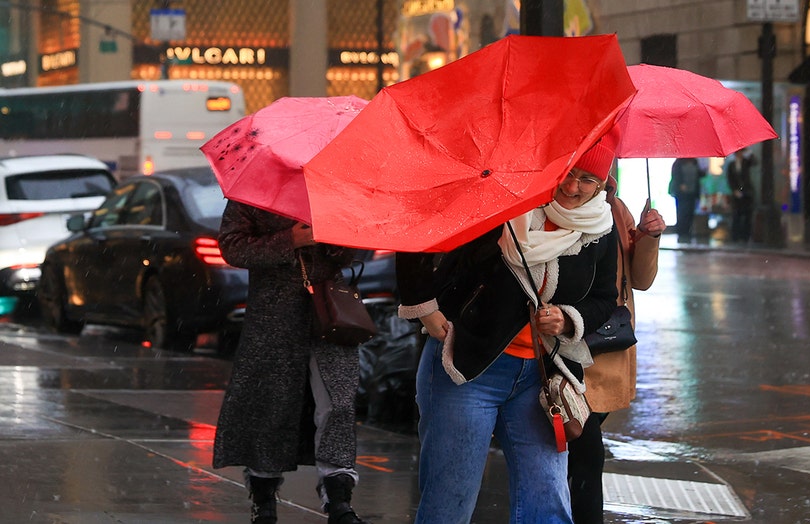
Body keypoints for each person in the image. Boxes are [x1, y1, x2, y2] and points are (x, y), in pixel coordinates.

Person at [395, 135, 621, 523]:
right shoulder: (505, 199)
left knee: (547, 501)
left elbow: (603, 298)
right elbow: (419, 228)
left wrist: (567, 319)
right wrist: (424, 307)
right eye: (568, 173)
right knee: (450, 499)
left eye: (587, 180)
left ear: (603, 184)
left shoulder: (600, 226)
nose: (572, 187)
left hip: (542, 377)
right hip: (466, 365)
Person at [212, 200, 369, 524]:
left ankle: (338, 498)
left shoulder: (331, 187)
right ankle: (264, 500)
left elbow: (355, 247)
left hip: (330, 313)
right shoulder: (256, 193)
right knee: (271, 405)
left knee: (337, 404)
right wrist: (290, 241)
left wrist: (328, 236)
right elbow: (232, 247)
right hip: (273, 317)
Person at [567, 172, 666, 524]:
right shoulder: (560, 205)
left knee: (579, 449)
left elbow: (639, 279)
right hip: (565, 343)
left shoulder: (615, 208)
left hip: (608, 344)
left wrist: (648, 236)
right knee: (586, 450)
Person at [668, 157, 705, 242]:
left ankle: (688, 231)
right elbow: (675, 175)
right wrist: (681, 184)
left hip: (692, 192)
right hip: (681, 194)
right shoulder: (678, 163)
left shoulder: (694, 162)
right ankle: (681, 232)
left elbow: (698, 174)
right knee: (681, 212)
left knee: (690, 213)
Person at [726, 147, 756, 243]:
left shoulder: (746, 162)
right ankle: (736, 236)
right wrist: (734, 190)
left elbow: (755, 162)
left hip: (747, 192)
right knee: (736, 215)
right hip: (736, 193)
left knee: (747, 215)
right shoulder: (731, 165)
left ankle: (745, 236)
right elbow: (730, 179)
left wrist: (749, 152)